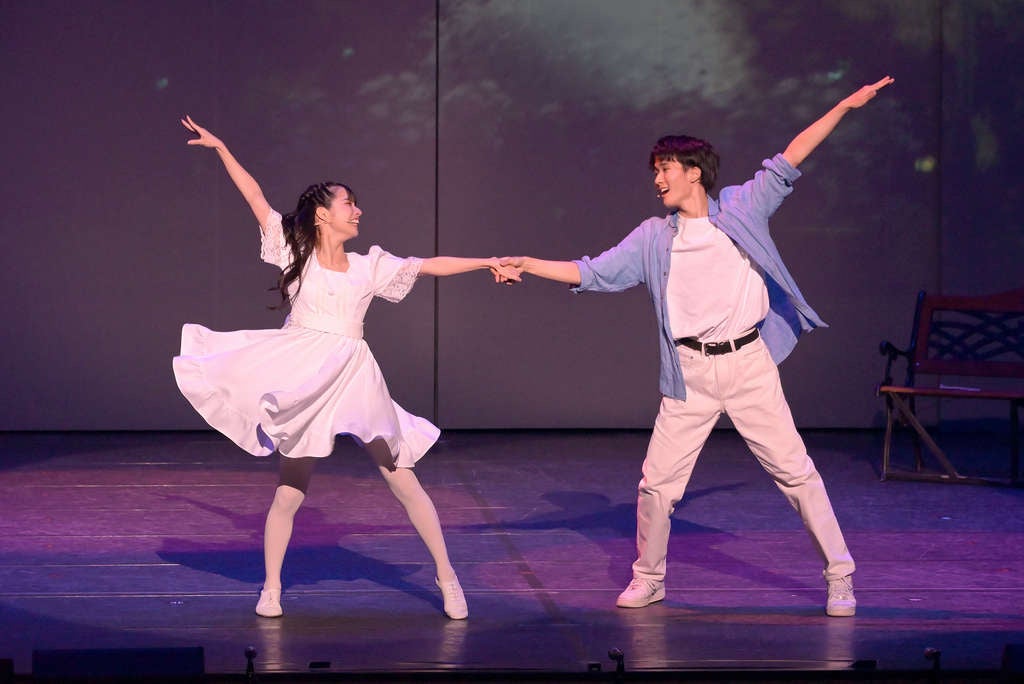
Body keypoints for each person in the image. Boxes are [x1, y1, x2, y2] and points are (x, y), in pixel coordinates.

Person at [500, 76, 894, 617]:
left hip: (749, 365)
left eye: (665, 168)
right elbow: (592, 273)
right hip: (689, 375)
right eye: (654, 170)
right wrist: (528, 264)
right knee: (657, 486)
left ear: (694, 172)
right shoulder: (653, 236)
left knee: (796, 474)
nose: (657, 178)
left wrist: (845, 106)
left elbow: (792, 155)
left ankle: (840, 575)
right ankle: (649, 578)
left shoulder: (742, 208)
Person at [173, 116, 520, 620]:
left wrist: (486, 261)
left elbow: (429, 264)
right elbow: (255, 198)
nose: (358, 210)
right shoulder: (295, 252)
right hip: (303, 373)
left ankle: (448, 577)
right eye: (348, 203)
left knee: (402, 479)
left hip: (354, 373)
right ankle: (271, 587)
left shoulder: (367, 266)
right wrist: (223, 148)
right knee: (290, 491)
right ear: (322, 214)